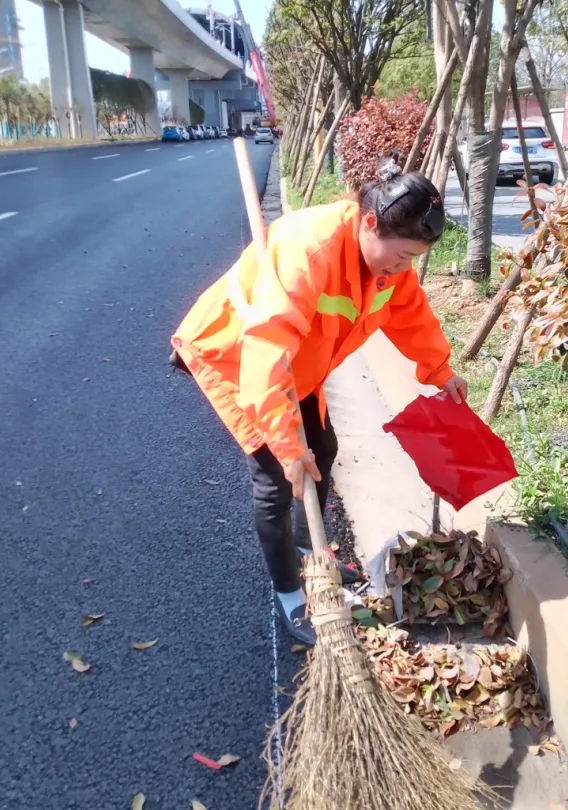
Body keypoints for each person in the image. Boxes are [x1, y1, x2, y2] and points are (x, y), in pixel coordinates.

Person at [170, 158, 468, 645]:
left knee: (322, 450)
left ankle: (312, 552)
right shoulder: (307, 251)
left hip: (301, 363)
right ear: (369, 222)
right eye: (401, 255)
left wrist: (440, 371)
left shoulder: (389, 268)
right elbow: (265, 355)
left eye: (413, 258)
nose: (402, 267)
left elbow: (410, 314)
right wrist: (288, 449)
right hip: (241, 353)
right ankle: (289, 593)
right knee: (276, 475)